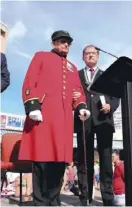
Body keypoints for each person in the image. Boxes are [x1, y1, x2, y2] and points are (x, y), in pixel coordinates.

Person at [18, 30, 90, 206]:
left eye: (68, 42)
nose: (66, 44)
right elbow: (29, 81)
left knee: (59, 163)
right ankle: (41, 202)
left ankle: (53, 201)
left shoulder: (72, 67)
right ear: (53, 43)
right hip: (43, 117)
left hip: (64, 122)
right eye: (62, 41)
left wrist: (81, 106)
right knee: (42, 161)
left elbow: (78, 92)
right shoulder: (41, 56)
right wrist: (33, 105)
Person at [74, 45, 120, 205]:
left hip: (104, 120)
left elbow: (116, 96)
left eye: (93, 53)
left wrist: (111, 106)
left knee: (106, 161)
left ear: (98, 56)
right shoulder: (76, 75)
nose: (90, 56)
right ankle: (85, 196)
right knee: (84, 160)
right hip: (83, 120)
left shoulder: (107, 75)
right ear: (83, 57)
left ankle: (107, 197)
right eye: (87, 53)